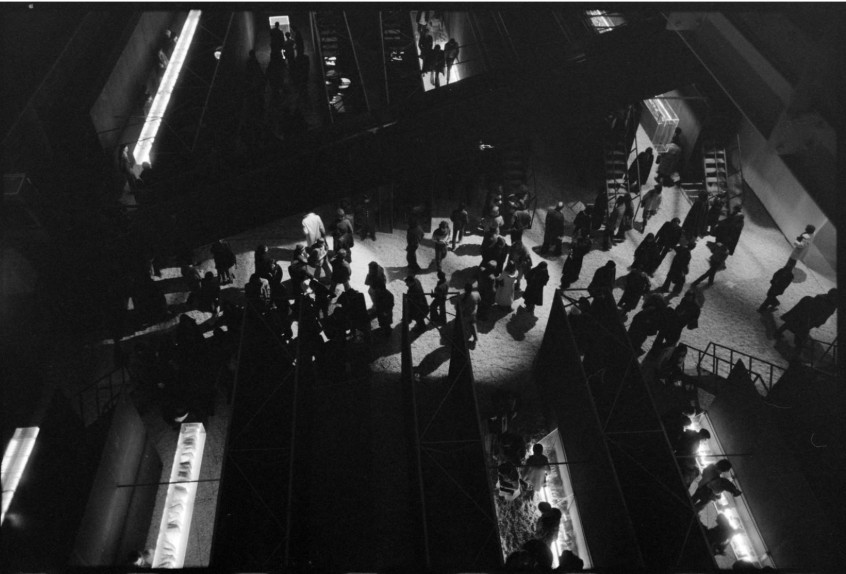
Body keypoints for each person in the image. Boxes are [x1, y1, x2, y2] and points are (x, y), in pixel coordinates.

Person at [775, 288, 838, 357]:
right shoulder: (826, 303)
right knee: (800, 332)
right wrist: (814, 322)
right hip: (807, 318)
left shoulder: (825, 300)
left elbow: (822, 315)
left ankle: (779, 334)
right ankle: (796, 352)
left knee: (792, 325)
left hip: (806, 317)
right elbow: (819, 313)